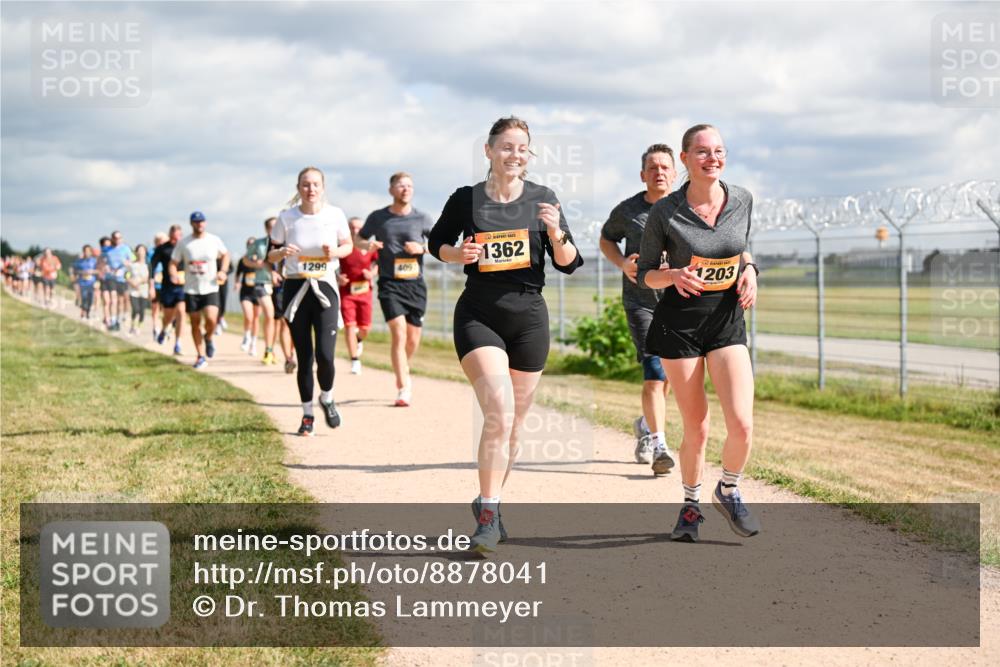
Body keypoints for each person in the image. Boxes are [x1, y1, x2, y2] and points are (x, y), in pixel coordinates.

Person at [428, 116, 583, 555]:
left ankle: (488, 499)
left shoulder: (542, 199)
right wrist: (458, 253)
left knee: (513, 425)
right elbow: (436, 242)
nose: (515, 154)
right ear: (489, 151)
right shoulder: (466, 199)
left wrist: (555, 232)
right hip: (479, 312)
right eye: (507, 146)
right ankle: (490, 519)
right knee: (498, 410)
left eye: (522, 148)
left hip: (529, 316)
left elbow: (569, 262)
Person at [637, 123, 761, 543]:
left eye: (720, 150)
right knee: (699, 426)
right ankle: (690, 507)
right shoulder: (665, 211)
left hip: (726, 320)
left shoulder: (741, 198)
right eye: (703, 152)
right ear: (686, 159)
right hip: (680, 326)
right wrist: (671, 274)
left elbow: (741, 247)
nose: (713, 158)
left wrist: (751, 271)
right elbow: (645, 276)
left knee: (742, 424)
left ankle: (728, 489)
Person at [600, 144, 678, 472]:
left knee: (671, 374)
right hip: (640, 302)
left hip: (677, 302)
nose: (659, 172)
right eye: (653, 167)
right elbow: (606, 238)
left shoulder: (685, 207)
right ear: (643, 175)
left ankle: (646, 426)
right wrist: (621, 263)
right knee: (655, 371)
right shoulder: (629, 210)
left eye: (664, 167)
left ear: (674, 174)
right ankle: (659, 445)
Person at [267, 166, 352, 436]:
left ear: (323, 187)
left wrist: (335, 252)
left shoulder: (335, 214)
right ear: (298, 188)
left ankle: (327, 397)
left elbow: (348, 246)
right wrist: (281, 252)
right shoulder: (287, 217)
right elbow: (270, 256)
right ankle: (306, 415)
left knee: (326, 356)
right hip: (296, 289)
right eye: (305, 184)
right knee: (305, 358)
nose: (310, 189)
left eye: (315, 184)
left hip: (325, 289)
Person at [357, 173, 433, 406]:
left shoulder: (422, 218)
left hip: (415, 285)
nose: (405, 189)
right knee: (398, 333)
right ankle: (403, 387)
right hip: (389, 283)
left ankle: (403, 367)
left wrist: (421, 248)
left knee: (413, 339)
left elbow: (440, 244)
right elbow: (358, 240)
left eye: (409, 185)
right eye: (401, 185)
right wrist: (367, 245)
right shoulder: (379, 217)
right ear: (391, 190)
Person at [170, 211, 229, 369]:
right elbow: (173, 262)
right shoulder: (184, 243)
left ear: (205, 223)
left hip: (210, 286)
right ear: (191, 224)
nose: (199, 224)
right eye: (196, 222)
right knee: (195, 322)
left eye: (202, 221)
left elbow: (226, 255)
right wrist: (174, 274)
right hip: (191, 289)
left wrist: (223, 271)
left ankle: (208, 337)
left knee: (211, 319)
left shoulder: (213, 240)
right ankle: (200, 356)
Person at [338, 216, 379, 374]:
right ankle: (354, 360)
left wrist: (372, 273)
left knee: (365, 328)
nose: (355, 230)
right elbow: (333, 264)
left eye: (358, 228)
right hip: (347, 291)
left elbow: (376, 264)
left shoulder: (370, 247)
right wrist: (338, 277)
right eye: (352, 227)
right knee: (350, 325)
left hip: (365, 292)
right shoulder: (344, 246)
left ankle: (359, 340)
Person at [245, 218, 279, 365]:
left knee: (278, 320)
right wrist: (255, 263)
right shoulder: (258, 243)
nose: (274, 229)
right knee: (269, 315)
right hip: (261, 283)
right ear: (266, 229)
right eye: (272, 227)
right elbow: (245, 259)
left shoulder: (285, 242)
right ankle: (268, 350)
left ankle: (273, 349)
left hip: (279, 284)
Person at [151, 225, 187, 355]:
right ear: (170, 235)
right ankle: (164, 329)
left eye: (178, 235)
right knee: (168, 316)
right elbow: (152, 265)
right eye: (174, 235)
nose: (176, 238)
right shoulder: (162, 249)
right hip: (168, 286)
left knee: (182, 312)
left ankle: (178, 343)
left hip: (183, 286)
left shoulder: (185, 247)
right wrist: (151, 284)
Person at [236, 237, 261, 355]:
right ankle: (246, 336)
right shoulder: (243, 260)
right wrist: (237, 283)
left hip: (259, 292)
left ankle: (253, 343)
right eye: (249, 245)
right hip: (246, 292)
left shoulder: (261, 260)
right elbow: (238, 274)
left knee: (256, 318)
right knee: (249, 316)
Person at [104, 231, 132, 330]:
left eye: (119, 238)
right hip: (110, 277)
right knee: (113, 299)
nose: (117, 240)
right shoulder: (107, 250)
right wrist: (106, 267)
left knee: (121, 301)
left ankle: (118, 320)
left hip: (121, 278)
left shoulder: (126, 249)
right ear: (112, 238)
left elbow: (131, 261)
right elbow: (102, 261)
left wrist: (125, 265)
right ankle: (113, 320)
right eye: (115, 238)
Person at [127, 244, 151, 336]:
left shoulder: (148, 264)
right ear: (136, 252)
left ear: (145, 252)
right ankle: (132, 326)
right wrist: (131, 282)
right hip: (133, 291)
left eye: (143, 250)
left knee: (142, 310)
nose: (141, 253)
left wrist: (140, 281)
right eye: (139, 250)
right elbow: (126, 275)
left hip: (144, 291)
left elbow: (150, 277)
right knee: (135, 309)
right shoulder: (132, 265)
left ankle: (139, 327)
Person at [150, 231, 168, 341]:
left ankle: (166, 328)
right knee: (155, 308)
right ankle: (155, 327)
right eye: (159, 241)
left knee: (167, 309)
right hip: (155, 284)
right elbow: (149, 267)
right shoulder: (151, 252)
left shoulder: (169, 251)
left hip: (166, 284)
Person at [72, 246, 98, 319]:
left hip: (92, 283)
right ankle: (83, 312)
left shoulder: (94, 261)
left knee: (90, 299)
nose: (87, 252)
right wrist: (81, 272)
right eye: (85, 251)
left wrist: (92, 271)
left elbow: (99, 271)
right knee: (84, 298)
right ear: (83, 252)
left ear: (90, 252)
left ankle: (88, 312)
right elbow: (74, 270)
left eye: (88, 251)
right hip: (82, 282)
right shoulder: (79, 261)